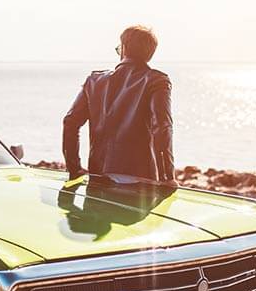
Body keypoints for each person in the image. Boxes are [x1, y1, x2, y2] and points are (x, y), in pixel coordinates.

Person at [62, 25, 176, 186]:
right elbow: (163, 126)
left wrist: (74, 169)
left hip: (98, 175)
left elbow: (70, 122)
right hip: (140, 178)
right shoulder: (157, 81)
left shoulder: (94, 80)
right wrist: (167, 177)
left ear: (124, 48)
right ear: (149, 55)